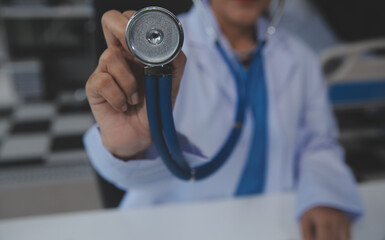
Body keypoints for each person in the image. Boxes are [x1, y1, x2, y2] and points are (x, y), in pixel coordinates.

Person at [84, 0, 363, 239]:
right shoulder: (159, 49)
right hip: (171, 226)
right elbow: (133, 175)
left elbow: (318, 143)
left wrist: (324, 194)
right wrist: (130, 147)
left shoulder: (300, 59)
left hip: (268, 224)